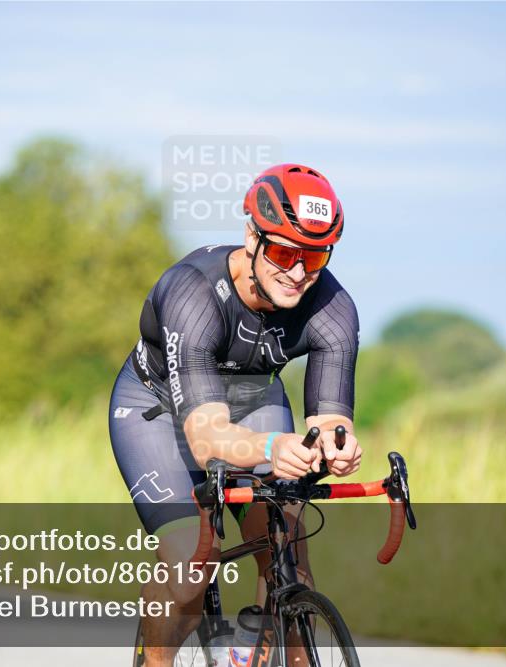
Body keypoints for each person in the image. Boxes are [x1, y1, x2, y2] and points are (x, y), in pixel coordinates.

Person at [109, 163, 362, 665]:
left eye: (314, 256)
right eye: (286, 252)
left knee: (287, 549)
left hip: (252, 400)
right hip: (156, 409)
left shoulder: (332, 307)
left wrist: (336, 444)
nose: (298, 272)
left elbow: (330, 417)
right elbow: (205, 438)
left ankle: (281, 648)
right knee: (190, 561)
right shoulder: (193, 293)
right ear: (252, 236)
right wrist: (273, 449)